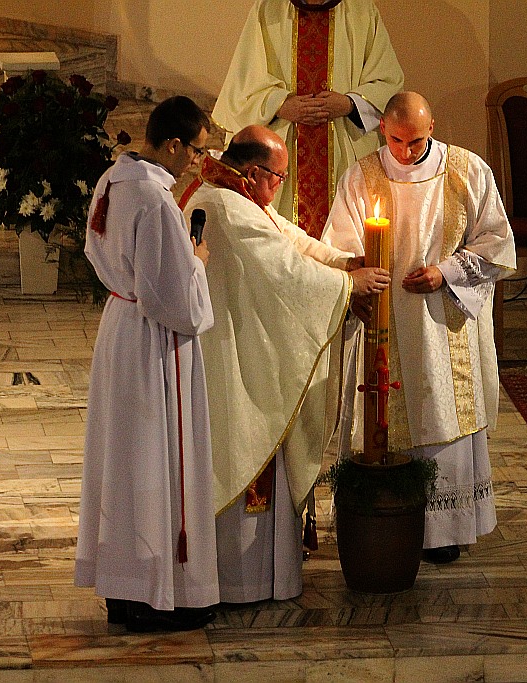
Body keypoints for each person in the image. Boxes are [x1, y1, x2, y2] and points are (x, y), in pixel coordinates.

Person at [179, 125, 390, 602]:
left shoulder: (234, 195)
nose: (280, 186)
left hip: (247, 344)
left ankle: (263, 576)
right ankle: (243, 584)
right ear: (254, 173)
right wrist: (348, 286)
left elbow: (291, 240)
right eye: (278, 177)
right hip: (237, 361)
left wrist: (345, 262)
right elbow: (287, 271)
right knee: (247, 448)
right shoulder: (227, 208)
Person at [322, 92, 516, 564]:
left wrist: (445, 273)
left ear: (432, 127)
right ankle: (382, 522)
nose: (406, 152)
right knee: (387, 415)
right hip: (382, 322)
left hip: (442, 323)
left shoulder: (468, 171)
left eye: (416, 141)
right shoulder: (361, 175)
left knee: (442, 411)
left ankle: (444, 530)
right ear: (382, 130)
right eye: (396, 141)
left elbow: (497, 241)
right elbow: (339, 247)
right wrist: (355, 284)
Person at [74, 96, 219, 631]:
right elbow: (176, 302)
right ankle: (155, 594)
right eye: (196, 151)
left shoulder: (112, 180)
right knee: (152, 461)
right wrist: (197, 263)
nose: (199, 163)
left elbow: (97, 253)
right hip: (151, 342)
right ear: (173, 144)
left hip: (120, 326)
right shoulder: (155, 202)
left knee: (124, 462)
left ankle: (124, 587)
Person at [213, 0, 404, 238]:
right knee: (282, 244)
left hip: (342, 151)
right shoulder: (268, 9)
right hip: (283, 153)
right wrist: (280, 104)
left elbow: (388, 82)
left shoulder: (361, 10)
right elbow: (243, 85)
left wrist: (349, 104)